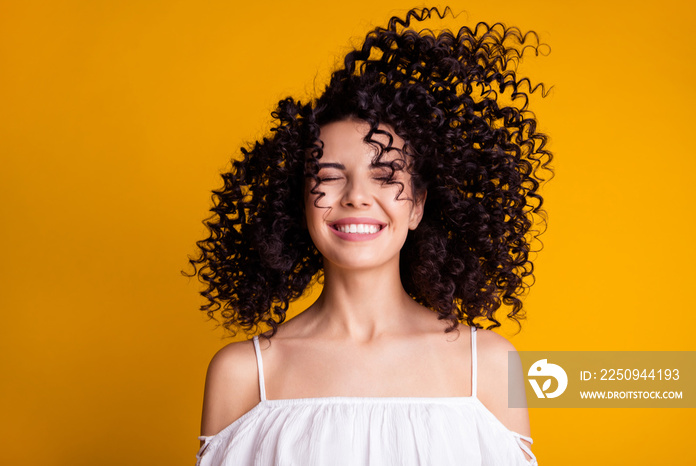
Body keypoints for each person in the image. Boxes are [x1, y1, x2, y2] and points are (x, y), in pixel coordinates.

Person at [187, 6, 551, 465]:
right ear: (300, 203)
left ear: (417, 205)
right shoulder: (243, 374)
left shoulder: (491, 365)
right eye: (329, 176)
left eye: (384, 176)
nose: (357, 197)